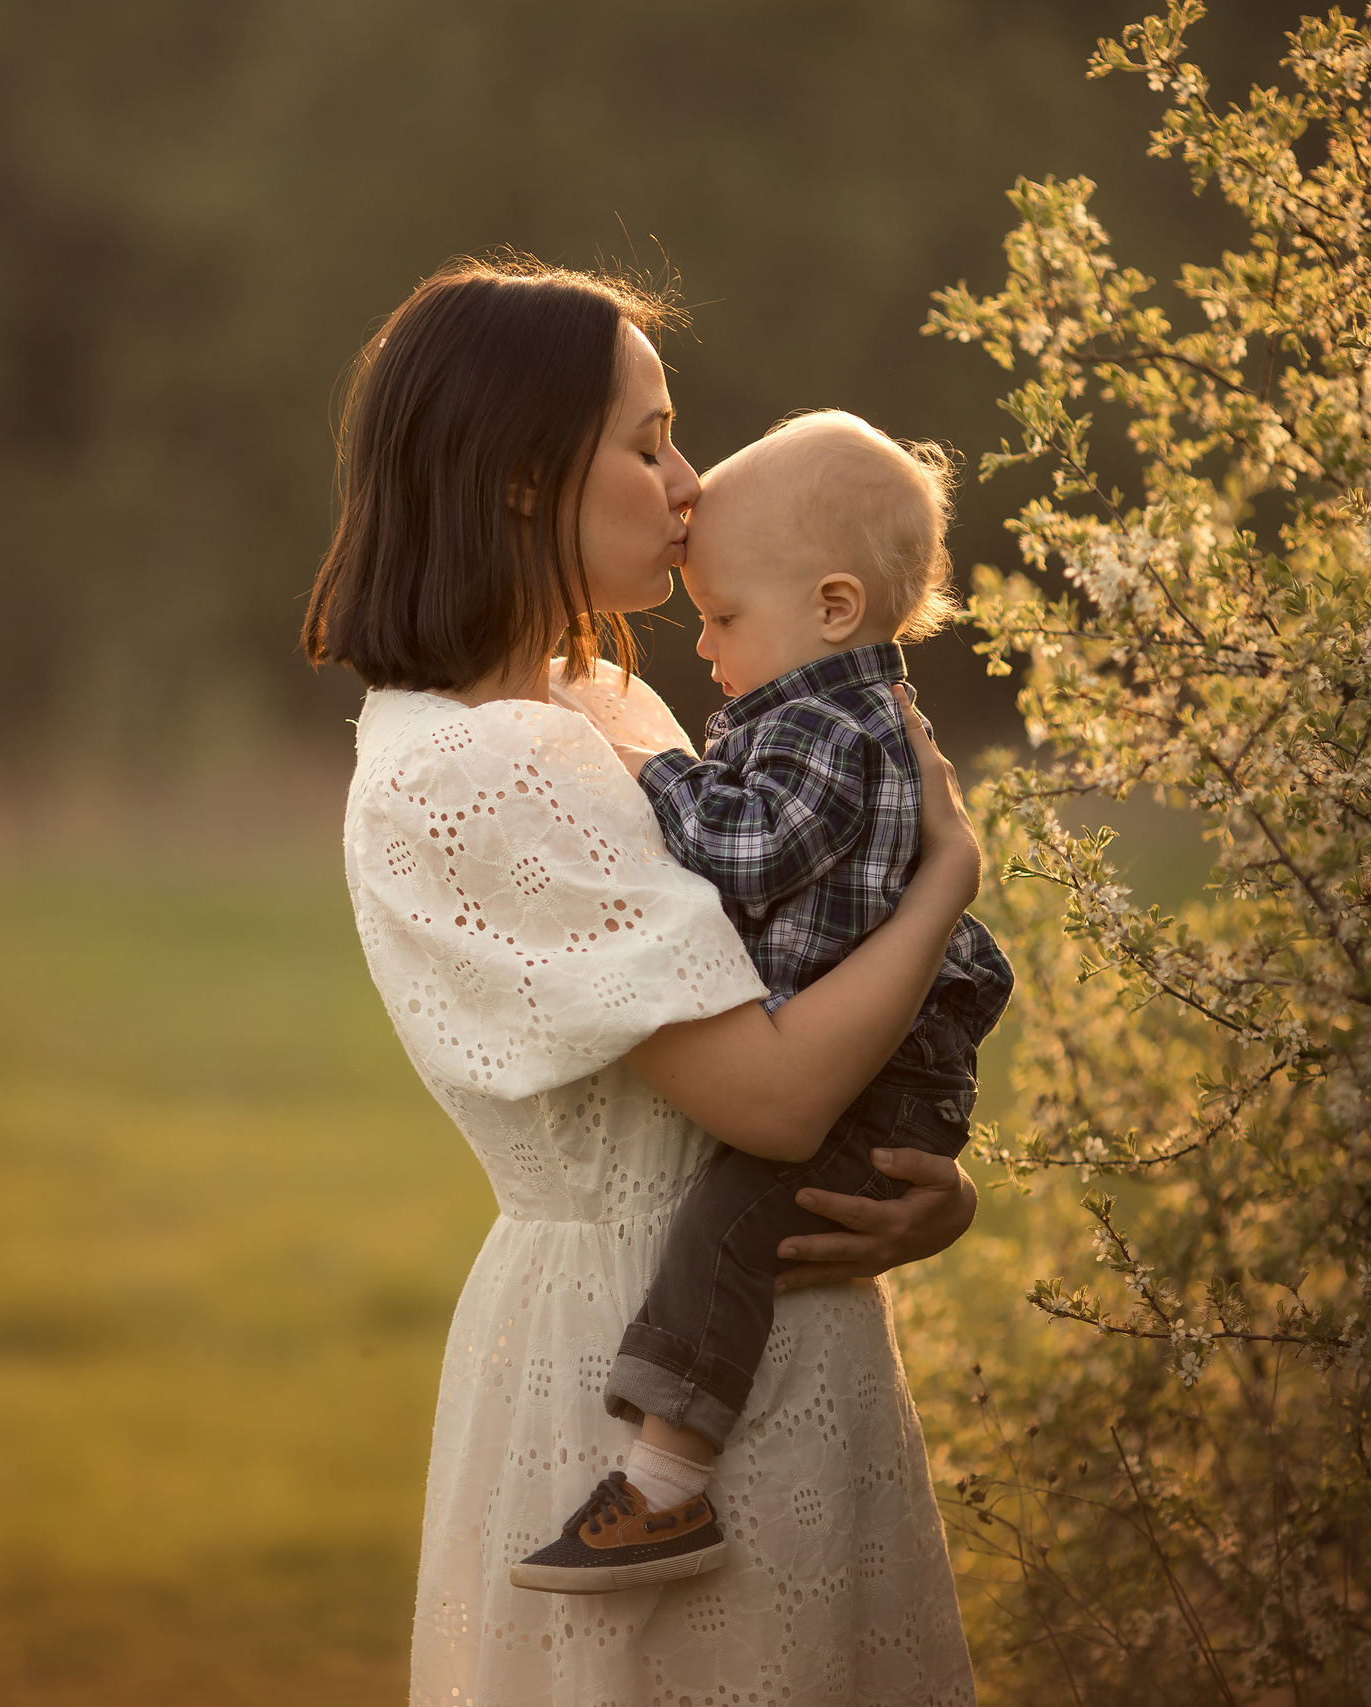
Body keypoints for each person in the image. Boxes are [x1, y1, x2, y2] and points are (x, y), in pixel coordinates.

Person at [304, 255, 981, 1704]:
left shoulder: (598, 704)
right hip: (624, 1361)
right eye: (647, 438)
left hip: (775, 1325)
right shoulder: (475, 772)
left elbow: (799, 995)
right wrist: (946, 884)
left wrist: (933, 1183)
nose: (687, 484)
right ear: (519, 475)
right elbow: (781, 1096)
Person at [506, 411, 1015, 1595]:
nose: (705, 649)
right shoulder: (816, 717)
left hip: (871, 1077)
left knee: (732, 1225)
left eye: (724, 619)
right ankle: (665, 1476)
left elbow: (738, 853)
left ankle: (664, 1490)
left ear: (833, 609)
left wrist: (649, 771)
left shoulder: (834, 733)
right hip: (870, 1060)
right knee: (739, 1225)